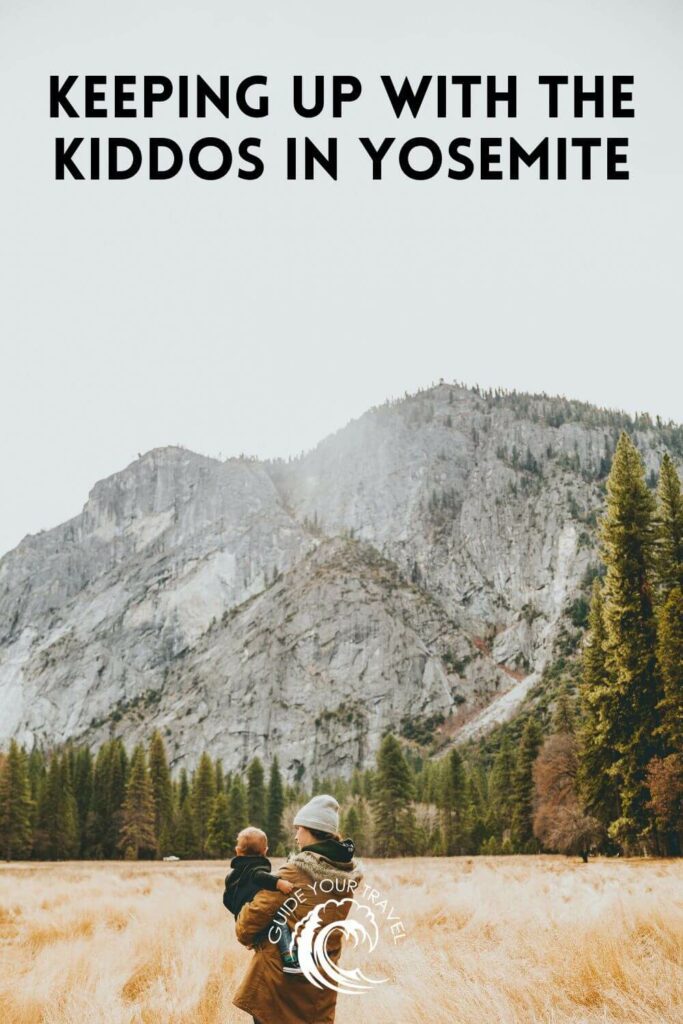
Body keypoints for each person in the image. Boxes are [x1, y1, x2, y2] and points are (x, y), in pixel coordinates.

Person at [232, 794, 363, 1024]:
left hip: (278, 990)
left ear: (311, 830)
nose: (295, 836)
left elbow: (246, 925)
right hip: (319, 989)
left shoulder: (294, 873)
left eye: (299, 829)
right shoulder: (345, 877)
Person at [223, 825, 302, 973]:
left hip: (241, 917)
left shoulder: (231, 876)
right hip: (255, 911)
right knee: (281, 921)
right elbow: (258, 876)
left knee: (262, 936)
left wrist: (238, 911)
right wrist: (279, 883)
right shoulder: (255, 868)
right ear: (265, 851)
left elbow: (226, 900)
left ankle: (254, 940)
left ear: (237, 851)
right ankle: (289, 957)